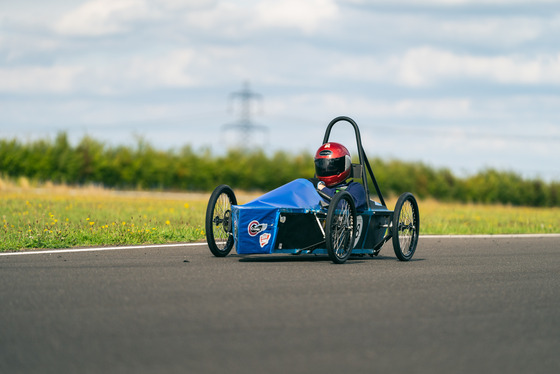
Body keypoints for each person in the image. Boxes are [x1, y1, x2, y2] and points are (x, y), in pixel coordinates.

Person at [311, 142, 367, 211]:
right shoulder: (313, 187)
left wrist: (322, 188)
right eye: (322, 166)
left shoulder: (355, 188)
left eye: (331, 167)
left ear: (344, 165)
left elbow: (345, 206)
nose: (325, 170)